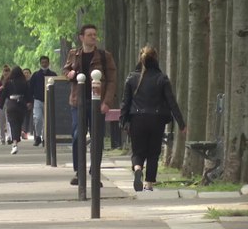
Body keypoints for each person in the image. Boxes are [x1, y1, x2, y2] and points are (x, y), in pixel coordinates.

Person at [120, 46, 186, 192]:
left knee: (137, 151)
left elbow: (125, 102)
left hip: (137, 118)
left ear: (140, 58)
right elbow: (171, 102)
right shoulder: (161, 78)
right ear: (156, 58)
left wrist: (122, 120)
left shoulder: (132, 78)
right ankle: (149, 184)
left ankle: (138, 169)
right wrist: (181, 124)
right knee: (153, 153)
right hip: (157, 119)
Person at [63, 24, 117, 186]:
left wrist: (106, 102)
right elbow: (65, 70)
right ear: (81, 37)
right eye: (89, 35)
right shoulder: (74, 54)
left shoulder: (103, 55)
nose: (93, 37)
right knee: (77, 136)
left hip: (97, 103)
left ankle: (95, 173)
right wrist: (69, 73)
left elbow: (112, 80)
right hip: (77, 102)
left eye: (95, 35)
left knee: (97, 138)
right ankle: (79, 171)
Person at [0, 66, 33, 154]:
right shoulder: (24, 83)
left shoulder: (8, 82)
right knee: (19, 123)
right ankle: (16, 140)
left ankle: (15, 143)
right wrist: (29, 102)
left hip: (11, 105)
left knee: (13, 124)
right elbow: (28, 94)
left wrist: (1, 105)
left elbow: (4, 94)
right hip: (21, 105)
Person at [29, 56, 57, 146]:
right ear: (40, 63)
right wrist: (30, 100)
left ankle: (46, 138)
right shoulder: (36, 75)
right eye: (42, 62)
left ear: (48, 63)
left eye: (46, 62)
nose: (44, 64)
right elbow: (30, 88)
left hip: (49, 100)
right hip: (38, 100)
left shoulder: (53, 75)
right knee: (38, 118)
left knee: (47, 120)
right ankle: (38, 136)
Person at [0, 65, 12, 145]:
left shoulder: (11, 81)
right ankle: (2, 138)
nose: (6, 72)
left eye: (7, 71)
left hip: (9, 102)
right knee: (1, 121)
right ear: (2, 72)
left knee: (9, 120)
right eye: (5, 71)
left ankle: (9, 137)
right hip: (0, 102)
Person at [22, 68, 33, 139]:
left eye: (27, 73)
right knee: (24, 118)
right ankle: (24, 132)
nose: (26, 74)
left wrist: (31, 102)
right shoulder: (20, 82)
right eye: (24, 73)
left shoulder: (32, 82)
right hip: (22, 102)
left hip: (31, 102)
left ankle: (29, 132)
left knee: (30, 118)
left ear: (30, 74)